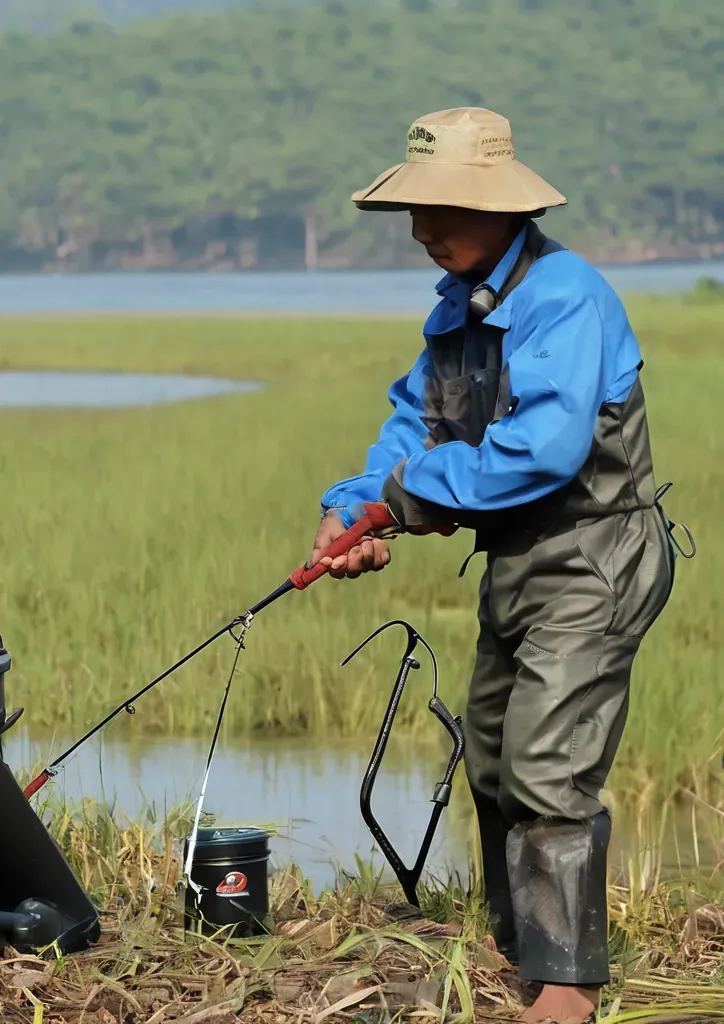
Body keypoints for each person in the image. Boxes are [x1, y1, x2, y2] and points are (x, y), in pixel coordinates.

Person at [307, 108, 689, 1024]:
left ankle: (568, 985)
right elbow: (417, 421)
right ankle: (516, 933)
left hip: (594, 556)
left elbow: (539, 454)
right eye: (415, 211)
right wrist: (352, 501)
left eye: (442, 209)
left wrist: (399, 502)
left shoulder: (567, 298)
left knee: (547, 763)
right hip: (518, 560)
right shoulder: (458, 305)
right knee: (489, 748)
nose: (422, 229)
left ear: (501, 209)